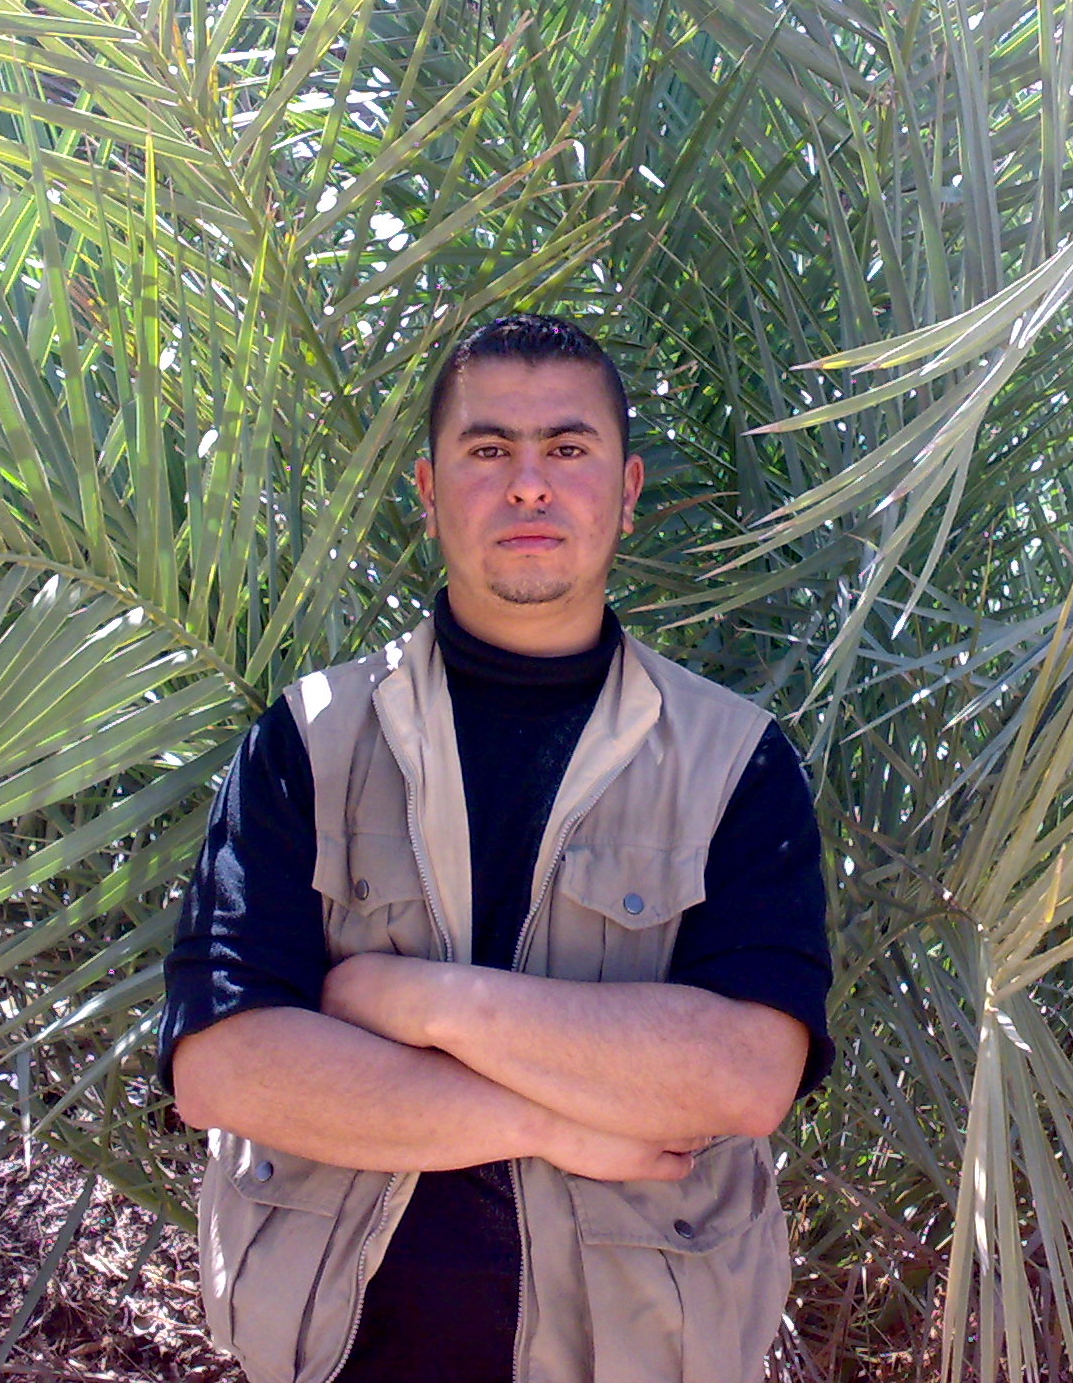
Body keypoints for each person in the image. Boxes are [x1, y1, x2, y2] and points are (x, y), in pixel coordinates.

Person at [154, 314, 834, 1383]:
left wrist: (418, 1002)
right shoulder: (310, 741)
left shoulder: (734, 762)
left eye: (567, 448)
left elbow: (743, 1077)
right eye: (488, 450)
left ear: (626, 490)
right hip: (341, 1359)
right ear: (430, 492)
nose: (527, 485)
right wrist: (558, 1125)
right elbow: (223, 1070)